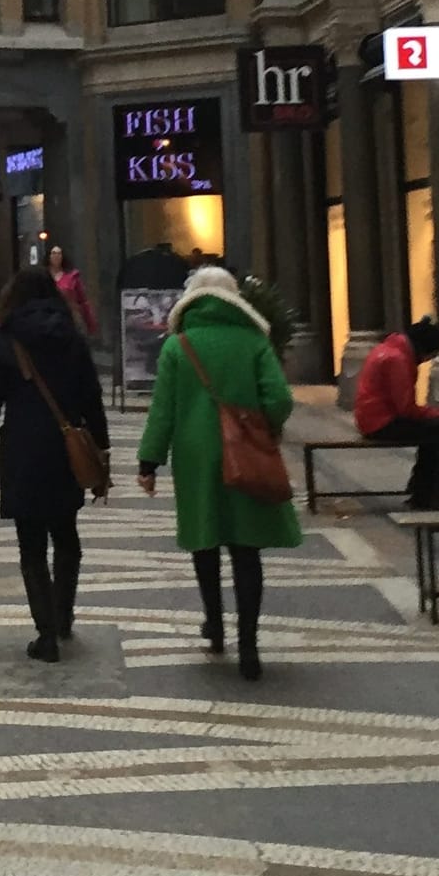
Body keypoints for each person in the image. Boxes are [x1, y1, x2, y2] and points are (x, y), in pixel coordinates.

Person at [137, 266, 299, 680]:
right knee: (246, 550)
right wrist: (266, 428)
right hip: (244, 452)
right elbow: (279, 397)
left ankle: (213, 625)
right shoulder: (253, 341)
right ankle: (249, 645)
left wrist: (149, 462)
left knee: (204, 541)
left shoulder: (179, 345)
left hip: (195, 457)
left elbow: (163, 411)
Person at [0, 266, 109, 662]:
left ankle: (46, 633)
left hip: (22, 449)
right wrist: (101, 446)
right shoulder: (71, 337)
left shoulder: (6, 339)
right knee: (66, 533)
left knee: (30, 545)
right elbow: (91, 397)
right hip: (67, 451)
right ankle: (64, 615)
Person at [354, 316, 439, 503]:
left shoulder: (388, 349)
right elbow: (406, 409)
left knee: (434, 429)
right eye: (431, 356)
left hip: (372, 417)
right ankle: (432, 492)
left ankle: (423, 488)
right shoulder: (398, 360)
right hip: (382, 422)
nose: (427, 361)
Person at [46, 242, 97, 340]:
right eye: (53, 253)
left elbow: (83, 301)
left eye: (59, 253)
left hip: (69, 318)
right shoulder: (43, 276)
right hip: (49, 319)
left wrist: (90, 324)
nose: (56, 256)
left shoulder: (72, 277)